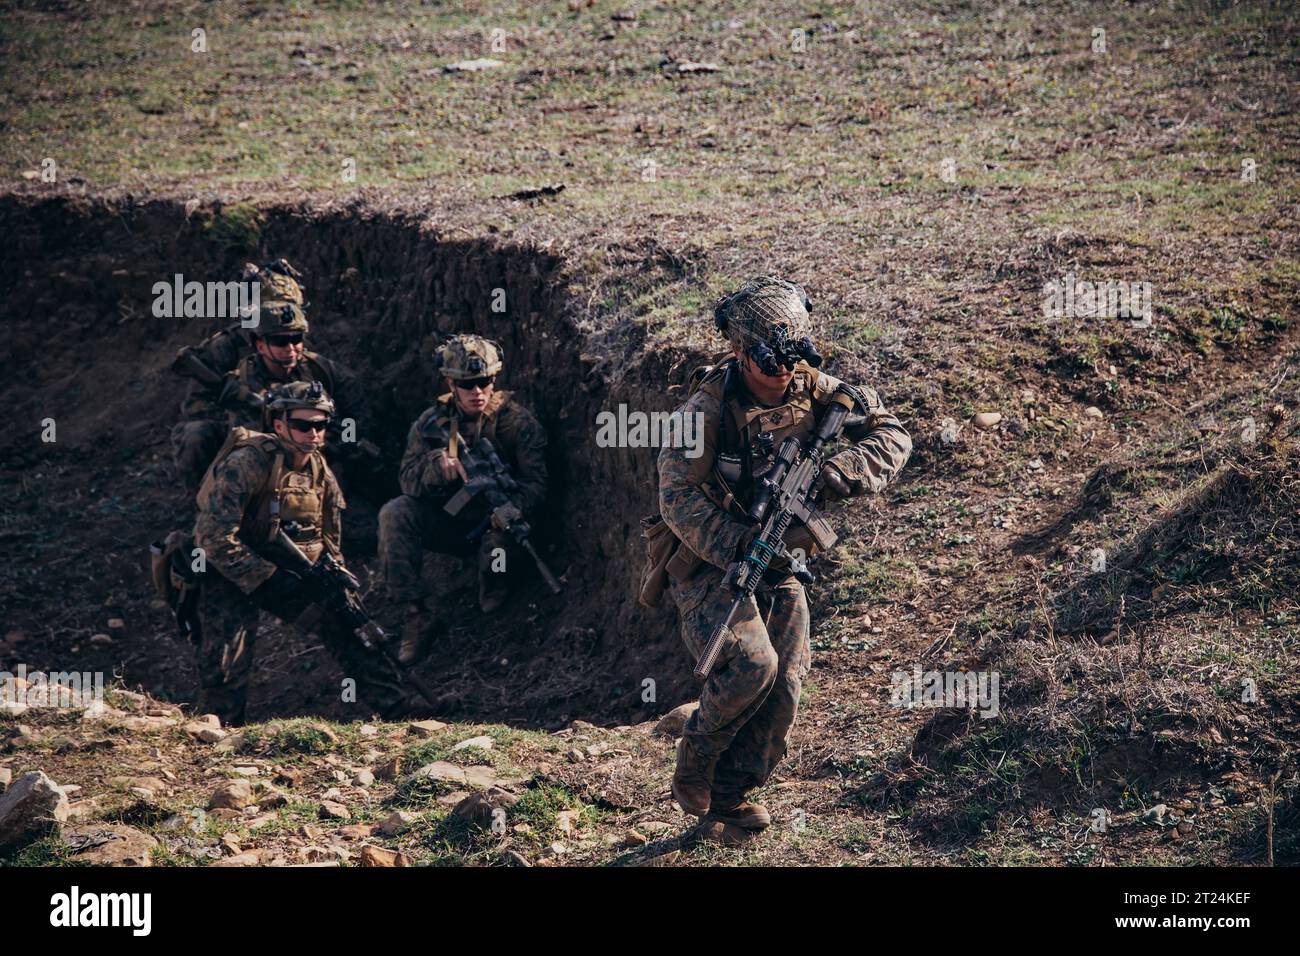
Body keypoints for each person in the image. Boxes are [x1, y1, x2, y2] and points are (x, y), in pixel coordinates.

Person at [656, 276, 912, 844]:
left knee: (787, 681)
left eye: (792, 360)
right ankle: (696, 753)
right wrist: (738, 546)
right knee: (752, 665)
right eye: (768, 362)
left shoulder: (819, 389)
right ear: (739, 354)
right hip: (710, 562)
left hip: (782, 559)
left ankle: (730, 795)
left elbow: (893, 433)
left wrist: (840, 472)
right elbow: (674, 498)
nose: (783, 374)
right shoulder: (706, 412)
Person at [191, 381, 414, 724]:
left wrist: (332, 580)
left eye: (320, 425)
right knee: (226, 659)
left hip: (294, 570)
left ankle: (399, 709)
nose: (313, 433)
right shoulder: (248, 463)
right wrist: (268, 578)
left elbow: (329, 538)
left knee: (348, 623)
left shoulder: (320, 472)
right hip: (231, 569)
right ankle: (218, 730)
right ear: (279, 424)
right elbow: (214, 538)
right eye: (302, 425)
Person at [378, 334, 548, 663]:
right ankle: (417, 613)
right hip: (451, 522)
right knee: (394, 513)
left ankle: (500, 612)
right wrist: (436, 468)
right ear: (450, 384)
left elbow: (538, 484)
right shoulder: (431, 424)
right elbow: (406, 481)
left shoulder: (518, 424)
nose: (478, 392)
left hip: (499, 524)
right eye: (468, 384)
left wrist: (512, 509)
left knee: (497, 559)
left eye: (484, 382)